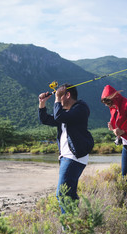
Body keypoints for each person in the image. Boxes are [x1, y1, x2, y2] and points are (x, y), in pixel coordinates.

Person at [38, 83, 94, 214]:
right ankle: (75, 224)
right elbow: (45, 119)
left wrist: (57, 98)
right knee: (70, 194)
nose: (58, 99)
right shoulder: (65, 113)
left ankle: (68, 227)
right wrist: (42, 103)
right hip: (66, 156)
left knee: (62, 194)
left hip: (74, 156)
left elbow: (59, 117)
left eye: (60, 96)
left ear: (67, 95)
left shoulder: (80, 108)